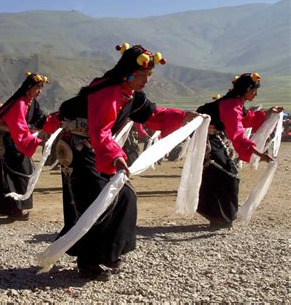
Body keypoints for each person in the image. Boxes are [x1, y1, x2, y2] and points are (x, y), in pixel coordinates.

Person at [56, 43, 197, 281]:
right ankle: (88, 262)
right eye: (142, 75)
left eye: (149, 75)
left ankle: (110, 252)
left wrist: (183, 116)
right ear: (128, 73)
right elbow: (100, 131)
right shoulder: (106, 91)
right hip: (79, 153)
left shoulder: (132, 96)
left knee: (125, 197)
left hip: (101, 151)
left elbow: (152, 115)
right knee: (95, 202)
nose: (146, 80)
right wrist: (117, 156)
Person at [196, 73, 284, 228]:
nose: (255, 94)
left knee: (224, 173)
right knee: (226, 174)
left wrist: (269, 112)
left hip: (214, 138)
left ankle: (218, 215)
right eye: (254, 90)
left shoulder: (236, 103)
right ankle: (217, 215)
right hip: (206, 138)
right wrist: (258, 153)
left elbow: (247, 118)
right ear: (246, 89)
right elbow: (237, 134)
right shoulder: (230, 105)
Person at [0, 72, 60, 219]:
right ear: (29, 88)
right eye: (37, 87)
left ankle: (10, 207)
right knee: (16, 173)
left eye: (41, 88)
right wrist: (37, 140)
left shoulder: (31, 102)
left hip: (17, 141)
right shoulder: (19, 104)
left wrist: (58, 120)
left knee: (13, 173)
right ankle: (15, 209)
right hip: (10, 142)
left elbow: (41, 120)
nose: (40, 91)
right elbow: (19, 130)